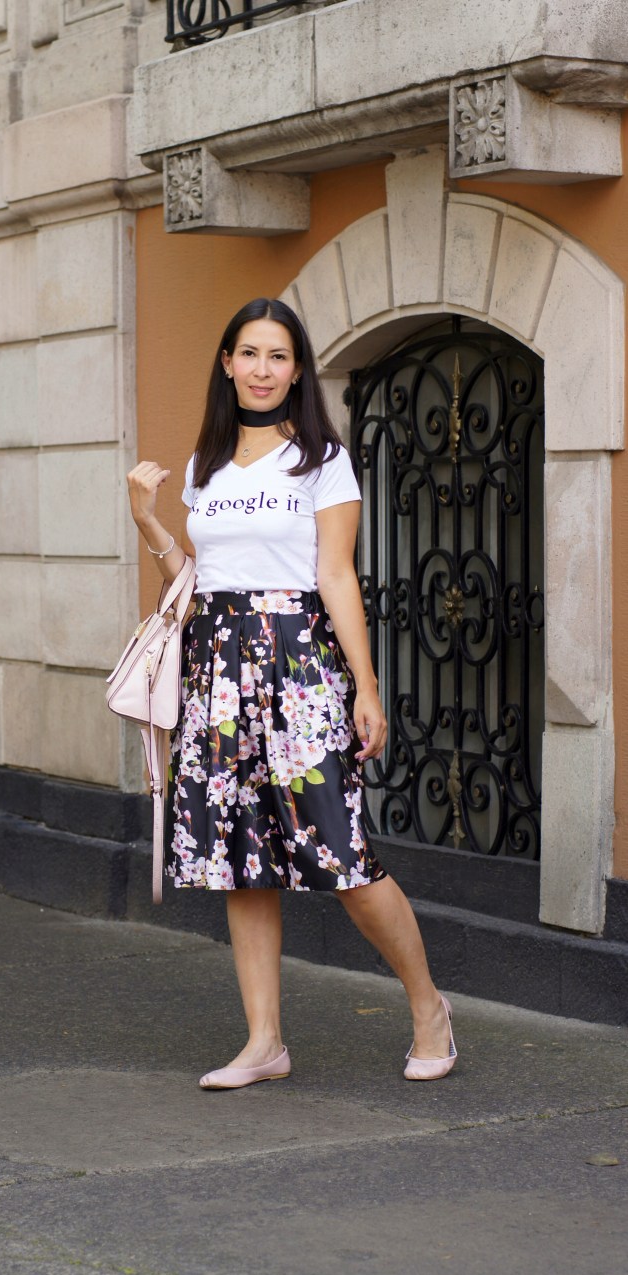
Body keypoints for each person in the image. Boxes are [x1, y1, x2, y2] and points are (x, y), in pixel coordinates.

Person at [127, 297, 457, 1090]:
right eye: (249, 353)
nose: (262, 369)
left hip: (300, 666)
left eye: (278, 355)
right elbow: (196, 585)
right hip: (217, 671)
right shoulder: (205, 465)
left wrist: (365, 686)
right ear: (227, 364)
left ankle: (429, 1008)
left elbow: (335, 574)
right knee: (241, 858)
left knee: (344, 855)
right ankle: (264, 1042)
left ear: (298, 369)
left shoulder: (322, 460)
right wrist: (149, 522)